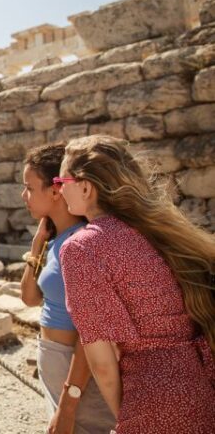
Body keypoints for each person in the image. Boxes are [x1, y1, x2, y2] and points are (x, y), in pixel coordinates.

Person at [57, 135, 215, 434]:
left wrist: (127, 417)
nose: (59, 189)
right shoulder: (158, 230)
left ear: (86, 187)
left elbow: (102, 363)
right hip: (201, 381)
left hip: (154, 396)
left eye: (60, 180)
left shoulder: (82, 248)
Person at [19, 143, 114, 434]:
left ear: (56, 190)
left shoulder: (82, 243)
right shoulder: (55, 240)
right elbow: (30, 298)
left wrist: (69, 403)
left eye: (30, 188)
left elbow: (91, 333)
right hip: (54, 358)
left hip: (77, 370)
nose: (24, 196)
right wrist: (37, 247)